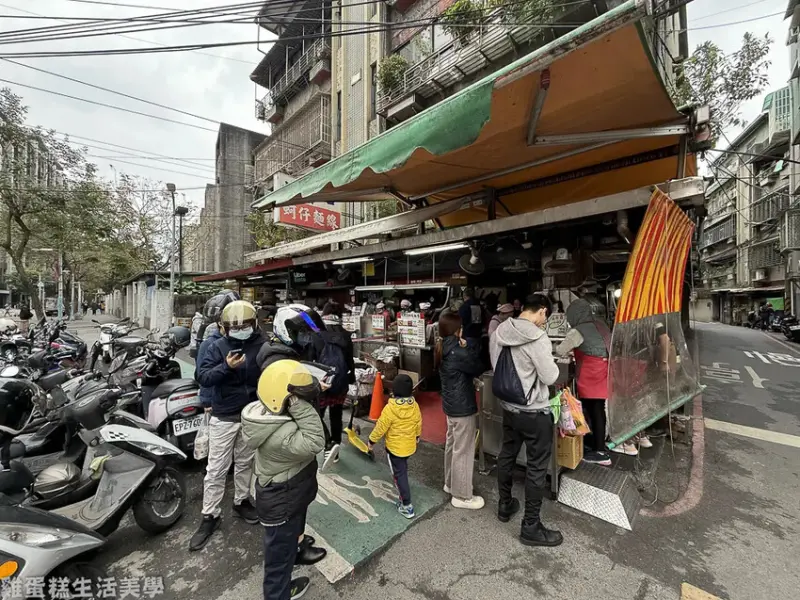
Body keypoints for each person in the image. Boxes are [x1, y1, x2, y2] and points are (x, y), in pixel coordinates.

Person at [242, 360, 327, 600]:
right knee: (277, 561)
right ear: (287, 400)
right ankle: (278, 594)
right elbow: (315, 441)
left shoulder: (272, 412)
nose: (305, 401)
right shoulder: (281, 433)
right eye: (299, 397)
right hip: (281, 501)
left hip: (291, 494)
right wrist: (298, 403)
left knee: (287, 545)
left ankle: (293, 561)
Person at [190, 300, 265, 552]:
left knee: (245, 462)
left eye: (244, 326)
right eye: (235, 327)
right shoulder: (217, 346)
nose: (240, 330)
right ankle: (209, 515)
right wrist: (226, 367)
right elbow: (203, 376)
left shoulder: (262, 345)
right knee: (216, 469)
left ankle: (241, 500)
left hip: (252, 415)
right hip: (224, 416)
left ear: (254, 324)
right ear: (224, 327)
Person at [489, 294, 562, 547]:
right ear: (541, 311)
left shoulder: (499, 331)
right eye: (545, 318)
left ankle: (505, 505)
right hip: (534, 412)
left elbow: (495, 364)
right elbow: (550, 376)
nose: (543, 323)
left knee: (507, 453)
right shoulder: (538, 337)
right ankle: (531, 526)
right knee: (536, 468)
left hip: (509, 408)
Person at [436, 312, 486, 510]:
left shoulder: (443, 347)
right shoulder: (458, 351)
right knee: (463, 450)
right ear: (458, 330)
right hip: (462, 406)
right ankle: (462, 495)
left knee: (452, 444)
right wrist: (468, 347)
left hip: (450, 405)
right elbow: (478, 366)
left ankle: (450, 483)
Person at [556, 298, 612, 466]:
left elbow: (560, 350)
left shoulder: (577, 331)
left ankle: (600, 452)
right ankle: (596, 443)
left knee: (593, 409)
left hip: (590, 373)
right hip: (605, 369)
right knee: (597, 409)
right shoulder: (601, 324)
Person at [368, 374, 422, 519]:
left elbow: (380, 427)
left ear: (394, 391)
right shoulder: (414, 405)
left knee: (399, 475)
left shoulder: (390, 409)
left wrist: (371, 441)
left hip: (395, 449)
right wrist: (417, 436)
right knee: (402, 468)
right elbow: (418, 423)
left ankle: (407, 505)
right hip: (409, 446)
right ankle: (404, 498)